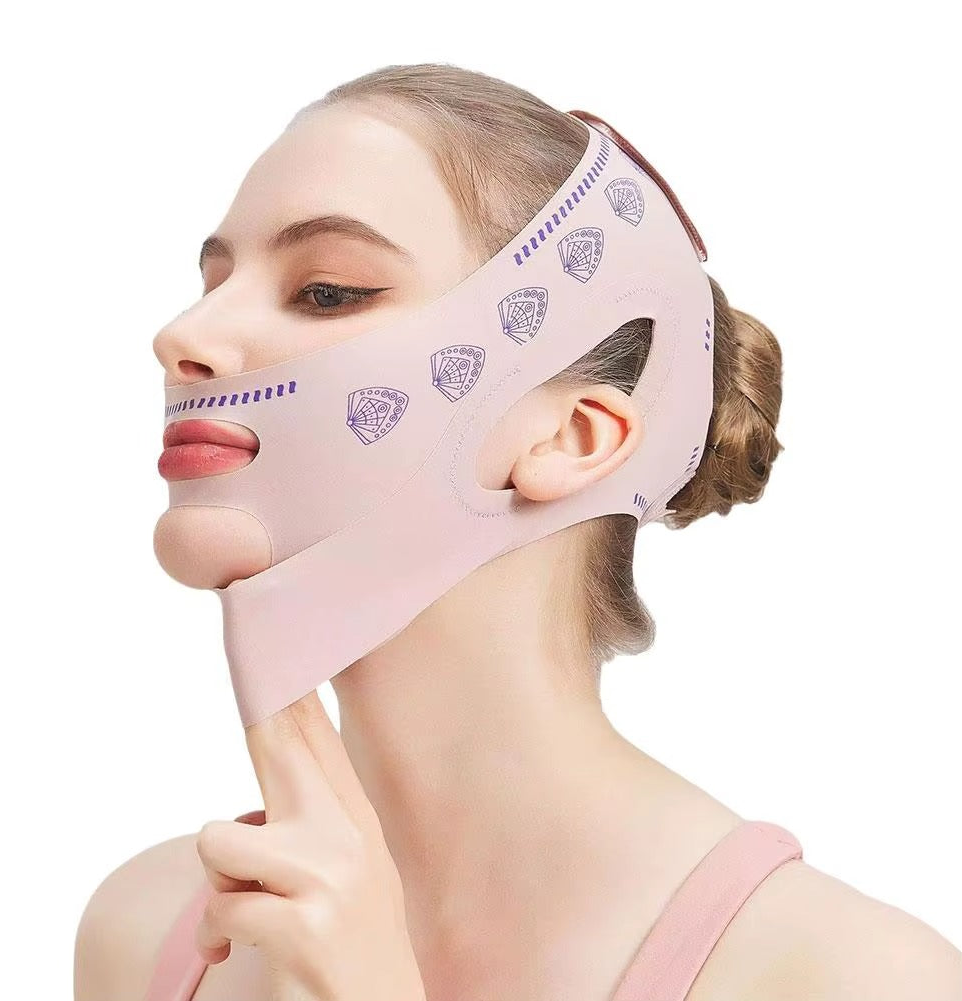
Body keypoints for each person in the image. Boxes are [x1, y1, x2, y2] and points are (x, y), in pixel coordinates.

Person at [73, 63, 962, 1001]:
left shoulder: (847, 978)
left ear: (571, 436)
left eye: (327, 290)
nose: (182, 335)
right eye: (212, 282)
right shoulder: (147, 929)